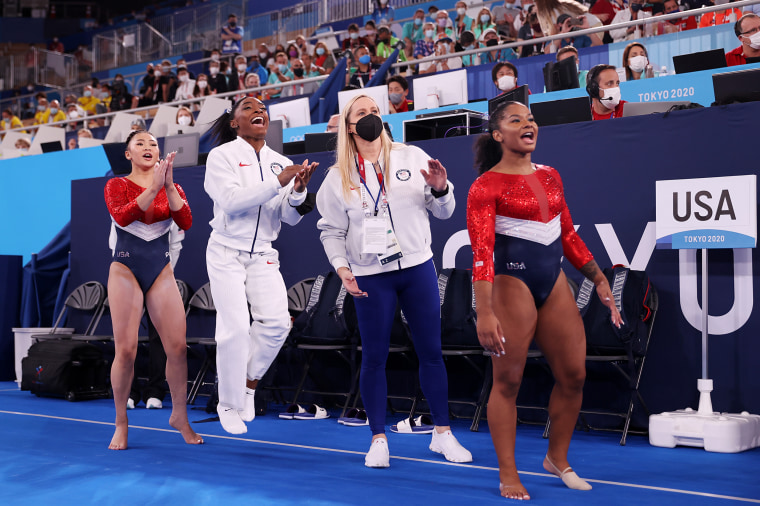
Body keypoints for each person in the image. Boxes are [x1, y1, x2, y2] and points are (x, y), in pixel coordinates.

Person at [467, 100, 622, 500]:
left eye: (531, 119)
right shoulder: (485, 186)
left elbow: (567, 234)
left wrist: (598, 278)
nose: (528, 124)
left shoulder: (551, 176)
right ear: (498, 135)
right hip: (510, 283)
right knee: (509, 381)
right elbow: (481, 253)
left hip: (552, 281)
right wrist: (484, 312)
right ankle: (508, 474)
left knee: (574, 375)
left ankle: (557, 458)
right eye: (516, 120)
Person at [315, 94, 472, 468]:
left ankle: (442, 434)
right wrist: (341, 267)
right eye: (362, 113)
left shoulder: (411, 156)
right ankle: (379, 438)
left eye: (375, 111)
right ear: (349, 128)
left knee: (431, 352)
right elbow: (330, 231)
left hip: (417, 267)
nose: (371, 117)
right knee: (374, 358)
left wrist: (440, 187)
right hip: (371, 275)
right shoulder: (337, 177)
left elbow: (445, 211)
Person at [204, 97, 318, 434]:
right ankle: (226, 404)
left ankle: (248, 387)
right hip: (226, 251)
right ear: (234, 122)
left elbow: (288, 218)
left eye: (263, 109)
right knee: (235, 329)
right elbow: (231, 202)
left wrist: (297, 192)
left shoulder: (279, 161)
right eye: (250, 108)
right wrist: (279, 182)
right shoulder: (221, 157)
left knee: (278, 324)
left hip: (263, 253)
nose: (259, 111)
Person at [104, 129, 203, 450]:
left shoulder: (171, 186)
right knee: (127, 350)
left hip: (160, 269)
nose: (148, 147)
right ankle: (121, 421)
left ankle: (179, 416)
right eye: (140, 144)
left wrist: (169, 186)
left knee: (177, 348)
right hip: (125, 268)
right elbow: (123, 215)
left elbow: (186, 220)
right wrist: (156, 188)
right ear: (128, 154)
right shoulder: (115, 185)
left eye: (153, 144)